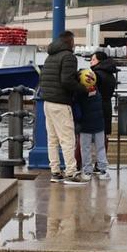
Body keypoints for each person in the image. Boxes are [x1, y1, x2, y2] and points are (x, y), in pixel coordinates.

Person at [38, 30, 83, 183]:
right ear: (69, 41)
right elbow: (66, 81)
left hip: (47, 102)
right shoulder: (69, 57)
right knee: (67, 139)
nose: (74, 44)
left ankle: (55, 172)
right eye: (73, 41)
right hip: (61, 103)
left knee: (52, 139)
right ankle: (71, 172)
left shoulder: (50, 56)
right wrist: (83, 89)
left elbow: (46, 77)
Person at [75, 69, 109, 180]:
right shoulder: (97, 91)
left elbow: (77, 112)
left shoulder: (80, 94)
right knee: (100, 148)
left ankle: (87, 171)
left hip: (85, 125)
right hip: (99, 124)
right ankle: (103, 170)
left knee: (85, 148)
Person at [90, 50, 119, 144]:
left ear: (100, 61)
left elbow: (91, 92)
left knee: (89, 140)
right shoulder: (110, 75)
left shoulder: (96, 75)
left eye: (93, 59)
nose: (91, 61)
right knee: (103, 137)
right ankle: (102, 158)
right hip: (106, 107)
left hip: (95, 109)